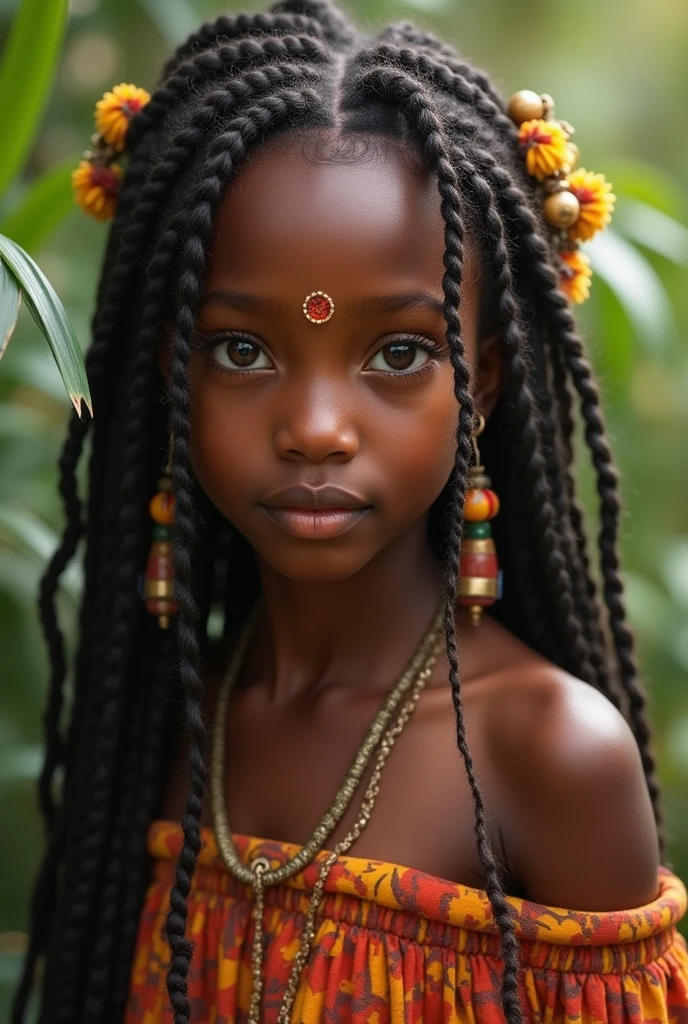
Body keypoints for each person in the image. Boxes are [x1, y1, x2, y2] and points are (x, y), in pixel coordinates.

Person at [13, 1, 688, 1022]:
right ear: (171, 372)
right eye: (242, 351)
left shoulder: (549, 754)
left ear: (485, 380)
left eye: (399, 354)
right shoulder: (168, 720)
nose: (317, 427)